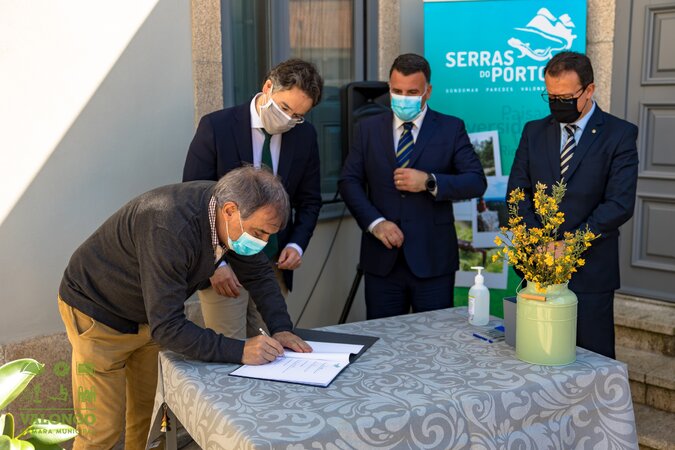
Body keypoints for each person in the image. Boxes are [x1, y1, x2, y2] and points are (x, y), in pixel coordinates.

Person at [58, 167, 311, 449]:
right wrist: (240, 350)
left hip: (149, 315)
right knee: (102, 431)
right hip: (98, 312)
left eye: (269, 236)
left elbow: (260, 274)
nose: (262, 243)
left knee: (146, 418)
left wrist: (281, 328)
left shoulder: (228, 216)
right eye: (259, 233)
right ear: (230, 211)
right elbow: (168, 328)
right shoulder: (169, 227)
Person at [508, 51, 638, 359]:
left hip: (591, 272)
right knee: (537, 355)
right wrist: (538, 243)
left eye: (565, 98)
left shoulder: (619, 134)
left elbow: (619, 203)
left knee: (592, 361)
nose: (557, 104)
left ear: (589, 90)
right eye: (551, 97)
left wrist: (570, 244)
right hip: (538, 268)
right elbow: (518, 192)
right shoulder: (533, 131)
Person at [339, 53, 487, 319]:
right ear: (389, 87)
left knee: (434, 337)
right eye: (397, 91)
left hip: (433, 261)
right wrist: (376, 223)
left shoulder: (450, 128)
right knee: (383, 338)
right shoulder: (368, 129)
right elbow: (349, 181)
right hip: (382, 260)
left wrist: (429, 182)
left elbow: (476, 181)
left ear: (427, 91)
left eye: (412, 92)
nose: (403, 98)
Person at [183, 58, 323, 339]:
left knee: (274, 345)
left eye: (297, 115)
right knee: (229, 347)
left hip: (273, 265)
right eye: (284, 108)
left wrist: (296, 244)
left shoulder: (304, 135)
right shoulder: (217, 126)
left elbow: (310, 200)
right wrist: (214, 264)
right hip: (224, 265)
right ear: (268, 87)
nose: (288, 119)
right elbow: (194, 200)